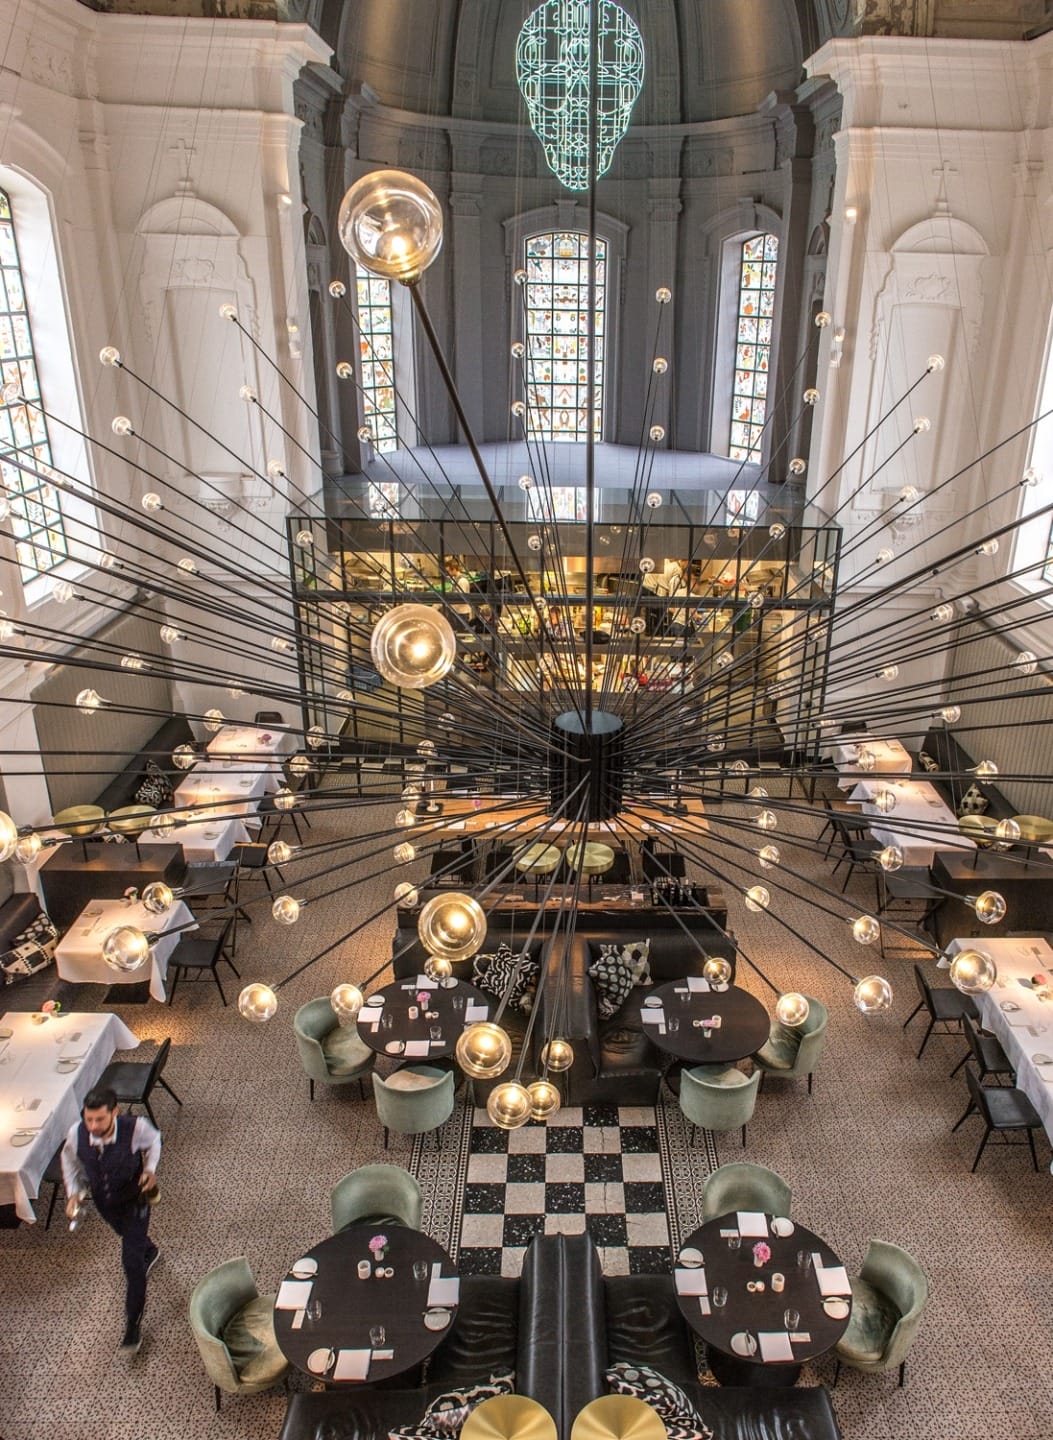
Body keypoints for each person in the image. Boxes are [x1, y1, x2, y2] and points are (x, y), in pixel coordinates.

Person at [62, 1086, 161, 1356]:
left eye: (99, 1120)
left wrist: (150, 1170)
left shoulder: (135, 1127)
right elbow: (69, 1160)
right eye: (89, 1119)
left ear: (114, 1113)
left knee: (131, 1263)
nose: (93, 1125)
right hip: (106, 1204)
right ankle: (150, 1250)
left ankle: (132, 1324)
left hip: (134, 1201)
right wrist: (73, 1193)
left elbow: (155, 1141)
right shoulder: (76, 1133)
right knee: (129, 1238)